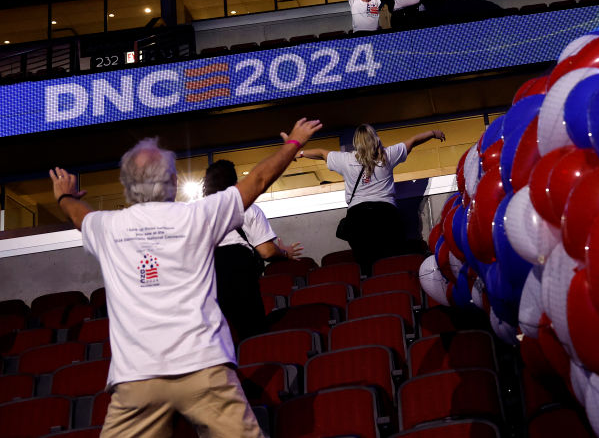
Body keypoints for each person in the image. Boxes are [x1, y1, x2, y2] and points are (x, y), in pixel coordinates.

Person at [50, 117, 323, 438]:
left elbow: (77, 215)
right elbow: (259, 179)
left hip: (137, 378)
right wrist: (293, 143)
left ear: (126, 186)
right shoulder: (199, 215)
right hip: (204, 369)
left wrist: (64, 196)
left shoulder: (106, 226)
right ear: (172, 181)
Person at [297, 125, 444, 274]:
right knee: (391, 262)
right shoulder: (388, 155)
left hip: (358, 218)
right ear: (375, 138)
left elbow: (321, 153)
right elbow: (412, 141)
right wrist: (433, 133)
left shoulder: (345, 160)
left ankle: (371, 288)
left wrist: (300, 153)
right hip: (386, 215)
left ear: (356, 142)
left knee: (366, 265)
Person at [202, 159, 303, 342]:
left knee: (221, 338)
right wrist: (285, 253)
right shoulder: (247, 208)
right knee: (252, 333)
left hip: (208, 276)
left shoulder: (197, 213)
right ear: (235, 183)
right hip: (240, 272)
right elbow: (266, 251)